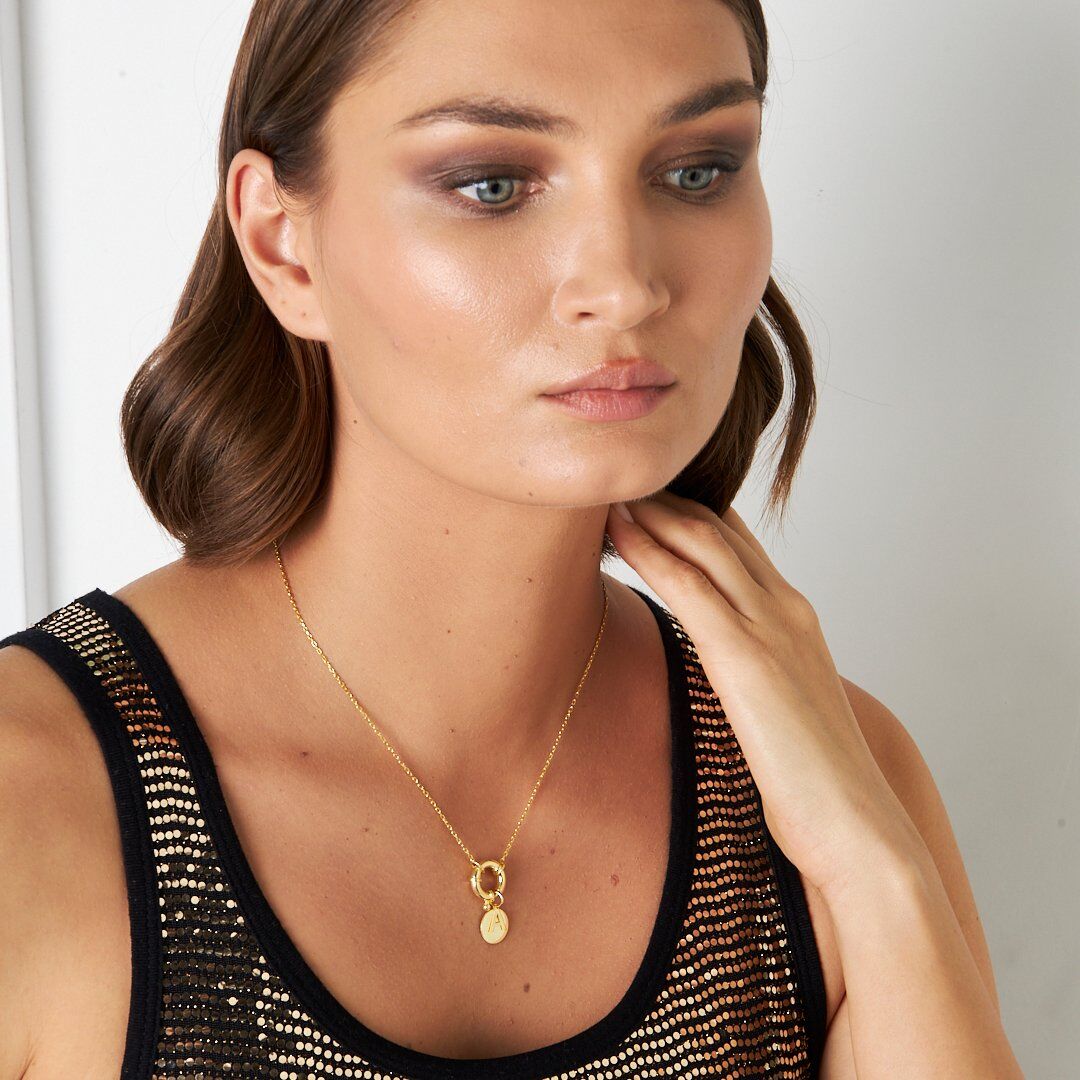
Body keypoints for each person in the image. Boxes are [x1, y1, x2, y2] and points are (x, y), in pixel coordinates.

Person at [0, 1, 1022, 1077]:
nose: (624, 286)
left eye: (697, 171)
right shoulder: (33, 798)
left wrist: (872, 868)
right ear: (282, 245)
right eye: (490, 184)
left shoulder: (840, 784)